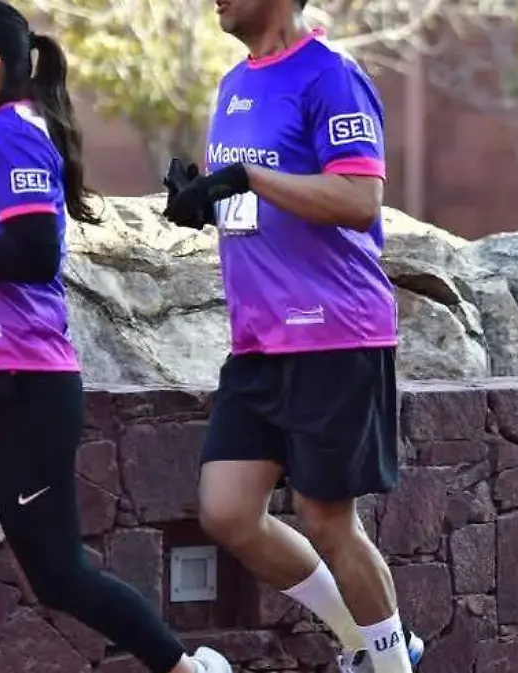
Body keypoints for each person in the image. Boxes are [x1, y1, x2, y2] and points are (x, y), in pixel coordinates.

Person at [0, 2, 230, 673]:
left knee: (58, 576)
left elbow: (35, 254)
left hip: (19, 391)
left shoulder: (12, 135)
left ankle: (186, 669)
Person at [161, 1, 422, 672]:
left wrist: (249, 177)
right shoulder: (234, 82)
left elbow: (359, 199)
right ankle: (364, 642)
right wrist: (204, 200)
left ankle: (390, 665)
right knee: (228, 512)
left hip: (333, 333)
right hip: (257, 341)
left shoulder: (331, 75)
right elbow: (259, 201)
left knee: (329, 520)